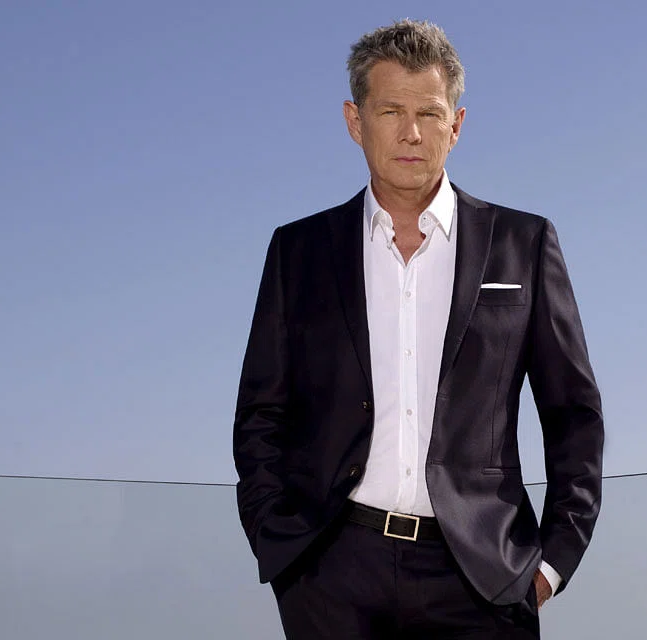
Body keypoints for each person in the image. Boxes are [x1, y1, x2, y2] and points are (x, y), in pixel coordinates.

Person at [233, 19, 604, 639]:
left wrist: (552, 564)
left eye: (430, 114)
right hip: (330, 575)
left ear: (455, 126)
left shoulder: (524, 244)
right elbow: (261, 413)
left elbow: (574, 415)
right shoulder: (299, 251)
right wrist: (281, 545)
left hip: (483, 577)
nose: (411, 133)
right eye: (391, 112)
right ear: (355, 121)